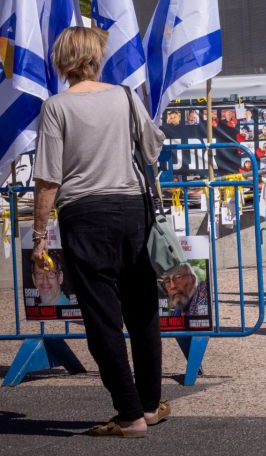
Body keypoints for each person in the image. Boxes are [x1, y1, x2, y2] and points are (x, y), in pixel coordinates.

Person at [30, 27, 169, 437]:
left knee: (102, 317)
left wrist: (39, 235)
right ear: (97, 56)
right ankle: (149, 404)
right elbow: (152, 148)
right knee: (143, 311)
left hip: (85, 213)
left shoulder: (56, 107)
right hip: (133, 209)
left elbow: (48, 179)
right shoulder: (124, 96)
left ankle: (129, 414)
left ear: (62, 60)